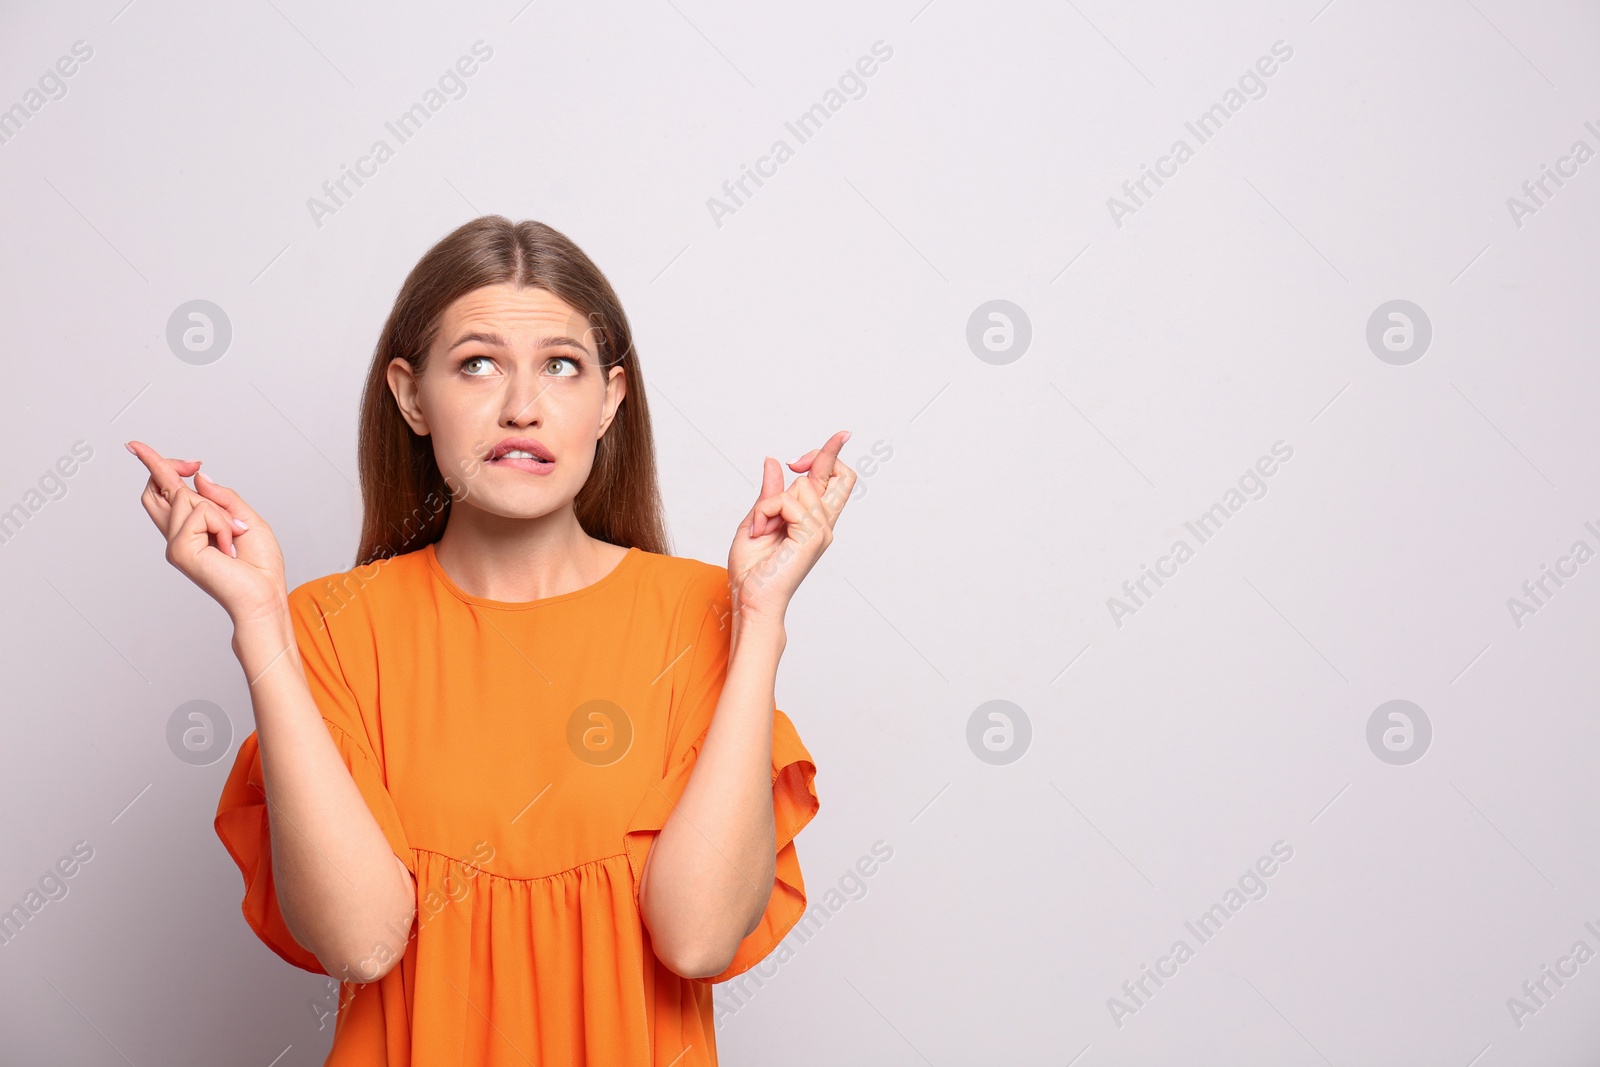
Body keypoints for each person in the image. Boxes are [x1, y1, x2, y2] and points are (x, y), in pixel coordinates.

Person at [127, 216, 853, 1065]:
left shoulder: (702, 614)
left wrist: (760, 616)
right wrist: (262, 628)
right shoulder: (329, 626)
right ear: (410, 396)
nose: (521, 406)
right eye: (477, 363)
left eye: (561, 365)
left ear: (611, 399)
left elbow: (697, 941)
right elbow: (360, 943)